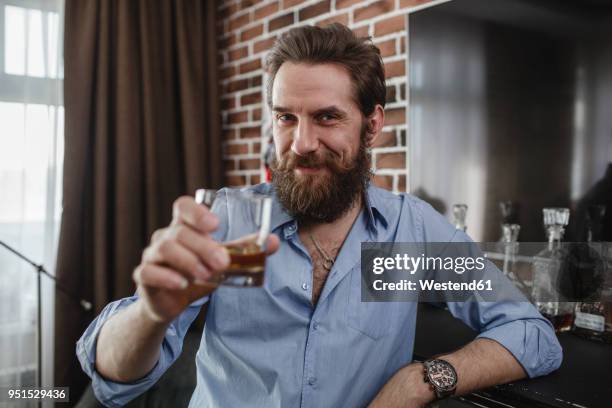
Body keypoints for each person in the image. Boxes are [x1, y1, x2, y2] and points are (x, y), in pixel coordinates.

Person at [77, 24, 562, 408]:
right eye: (286, 117)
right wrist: (151, 314)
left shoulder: (410, 234)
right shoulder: (229, 222)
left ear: (372, 125)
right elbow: (113, 378)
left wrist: (420, 379)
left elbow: (532, 333)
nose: (301, 144)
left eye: (326, 117)